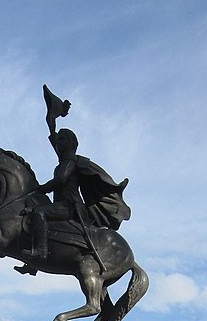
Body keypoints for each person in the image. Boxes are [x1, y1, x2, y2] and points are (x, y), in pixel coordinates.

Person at [24, 86, 130, 262]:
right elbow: (52, 133)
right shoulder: (63, 158)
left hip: (70, 206)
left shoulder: (71, 161)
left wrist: (41, 188)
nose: (58, 141)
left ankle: (40, 252)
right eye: (59, 140)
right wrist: (51, 117)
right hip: (61, 204)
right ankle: (32, 265)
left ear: (72, 143)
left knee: (39, 213)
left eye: (62, 139)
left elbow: (60, 180)